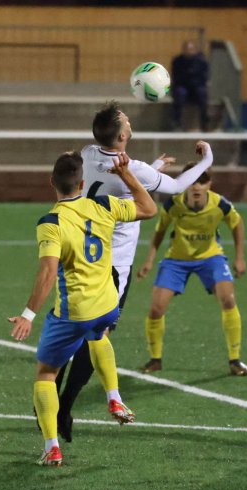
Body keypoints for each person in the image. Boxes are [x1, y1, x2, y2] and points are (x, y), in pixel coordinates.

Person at [54, 100, 214, 444]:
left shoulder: (87, 153)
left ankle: (51, 398)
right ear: (124, 134)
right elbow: (173, 188)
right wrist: (207, 161)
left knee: (69, 330)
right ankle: (65, 405)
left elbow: (122, 180)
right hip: (112, 267)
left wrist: (152, 168)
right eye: (126, 120)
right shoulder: (134, 168)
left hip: (82, 257)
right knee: (97, 335)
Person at [8, 150, 157, 467]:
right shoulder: (102, 204)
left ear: (52, 182)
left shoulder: (51, 223)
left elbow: (48, 273)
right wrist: (126, 174)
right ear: (83, 182)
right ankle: (114, 398)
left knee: (46, 374)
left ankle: (52, 447)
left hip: (74, 310)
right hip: (108, 303)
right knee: (99, 333)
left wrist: (28, 314)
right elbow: (149, 207)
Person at [136, 163, 247, 376]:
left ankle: (235, 360)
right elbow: (160, 230)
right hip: (176, 260)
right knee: (156, 309)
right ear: (185, 183)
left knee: (228, 299)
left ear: (209, 184)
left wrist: (240, 257)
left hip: (211, 257)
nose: (197, 186)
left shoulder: (220, 204)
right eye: (192, 181)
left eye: (202, 181)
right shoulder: (174, 203)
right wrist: (149, 260)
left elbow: (237, 224)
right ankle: (155, 359)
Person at [171, 39, 210, 132]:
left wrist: (193, 81)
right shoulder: (177, 61)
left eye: (191, 49)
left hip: (196, 86)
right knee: (180, 93)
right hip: (183, 86)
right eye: (187, 49)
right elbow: (176, 77)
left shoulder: (201, 62)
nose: (189, 51)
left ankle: (205, 122)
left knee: (202, 93)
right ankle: (176, 122)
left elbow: (204, 77)